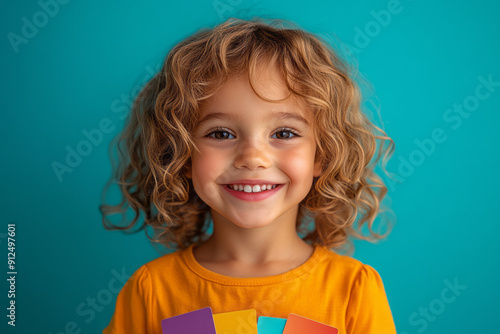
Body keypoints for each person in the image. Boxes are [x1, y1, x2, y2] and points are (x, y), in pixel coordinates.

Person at [100, 17, 397, 334]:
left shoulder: (354, 290)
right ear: (182, 155)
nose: (252, 158)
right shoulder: (151, 290)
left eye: (284, 133)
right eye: (221, 133)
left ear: (322, 154)